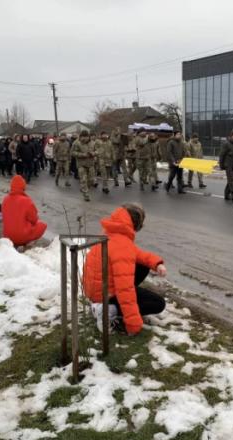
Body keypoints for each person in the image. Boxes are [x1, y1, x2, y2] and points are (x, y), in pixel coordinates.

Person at [83, 204, 167, 335]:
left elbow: (138, 254)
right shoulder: (123, 246)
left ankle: (101, 306)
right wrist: (133, 324)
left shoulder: (110, 235)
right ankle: (107, 310)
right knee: (158, 303)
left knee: (143, 265)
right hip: (105, 295)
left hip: (96, 291)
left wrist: (157, 264)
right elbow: (125, 289)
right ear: (136, 224)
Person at [1, 175, 47, 248]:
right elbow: (34, 219)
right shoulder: (26, 200)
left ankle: (16, 244)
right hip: (21, 236)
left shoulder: (5, 199)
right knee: (42, 225)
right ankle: (27, 244)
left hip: (7, 236)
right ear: (23, 186)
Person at [72, 130, 96, 201]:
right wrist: (82, 155)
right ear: (81, 136)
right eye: (83, 137)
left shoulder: (93, 143)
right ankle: (86, 195)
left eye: (86, 137)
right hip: (81, 164)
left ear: (88, 137)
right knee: (83, 180)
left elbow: (99, 150)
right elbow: (72, 152)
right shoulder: (76, 143)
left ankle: (83, 188)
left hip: (90, 164)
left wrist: (93, 153)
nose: (85, 138)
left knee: (91, 181)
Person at [219, 129, 233, 202]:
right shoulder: (226, 144)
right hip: (228, 165)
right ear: (232, 136)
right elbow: (222, 155)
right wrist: (221, 165)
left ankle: (226, 194)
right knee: (231, 180)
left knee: (231, 180)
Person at [95, 131, 114, 195]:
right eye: (103, 135)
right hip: (101, 160)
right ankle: (105, 187)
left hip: (109, 160)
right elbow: (95, 150)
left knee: (108, 175)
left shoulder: (110, 142)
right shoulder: (98, 142)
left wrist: (114, 158)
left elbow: (112, 150)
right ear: (101, 135)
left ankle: (104, 186)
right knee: (104, 174)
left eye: (106, 135)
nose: (105, 136)